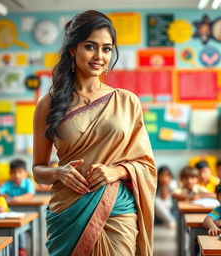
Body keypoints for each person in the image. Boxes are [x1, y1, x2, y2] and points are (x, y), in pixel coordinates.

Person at [32, 10, 156, 256]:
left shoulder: (127, 101)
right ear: (72, 50)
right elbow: (38, 170)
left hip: (116, 211)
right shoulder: (48, 104)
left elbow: (146, 165)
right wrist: (59, 172)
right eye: (90, 46)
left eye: (107, 49)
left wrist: (116, 171)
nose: (99, 56)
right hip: (68, 211)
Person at [0, 159, 35, 256]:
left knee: (20, 227)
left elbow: (30, 194)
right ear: (10, 173)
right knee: (13, 227)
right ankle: (11, 249)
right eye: (14, 172)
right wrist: (3, 195)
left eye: (20, 172)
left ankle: (21, 249)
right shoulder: (8, 183)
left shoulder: (28, 182)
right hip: (11, 211)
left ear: (26, 173)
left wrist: (18, 199)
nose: (17, 175)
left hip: (27, 213)